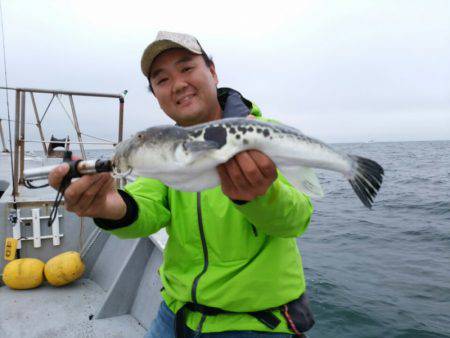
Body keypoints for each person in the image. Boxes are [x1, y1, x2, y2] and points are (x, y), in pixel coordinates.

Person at [49, 31, 315, 338]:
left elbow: (296, 220)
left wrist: (261, 196)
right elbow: (148, 208)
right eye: (161, 80)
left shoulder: (270, 136)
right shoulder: (163, 151)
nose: (177, 84)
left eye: (187, 68)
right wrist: (107, 207)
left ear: (213, 72)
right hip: (174, 312)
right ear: (157, 97)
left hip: (256, 323)